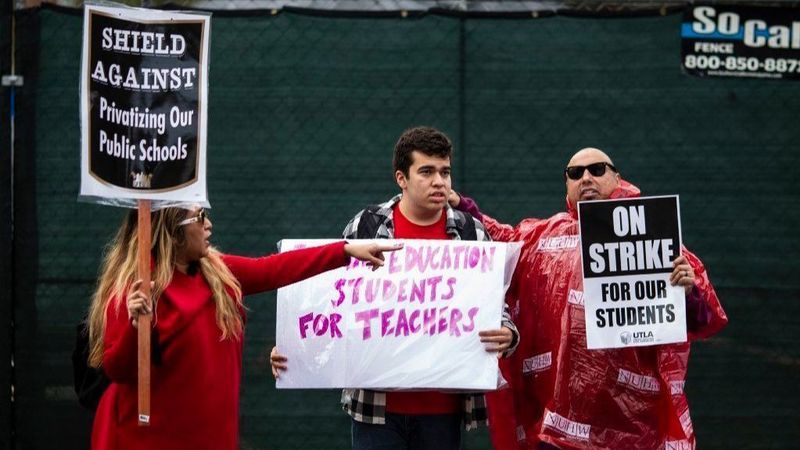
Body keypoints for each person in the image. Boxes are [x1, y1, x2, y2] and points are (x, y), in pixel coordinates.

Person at [451, 147, 728, 450]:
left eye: (597, 169)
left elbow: (705, 319)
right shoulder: (543, 237)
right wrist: (462, 206)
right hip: (556, 423)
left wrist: (688, 292)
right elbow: (500, 240)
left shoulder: (652, 237)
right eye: (575, 173)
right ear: (567, 185)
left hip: (631, 425)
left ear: (617, 177)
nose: (586, 177)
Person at [271, 126, 520, 450]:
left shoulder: (470, 231)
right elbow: (332, 299)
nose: (439, 182)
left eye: (445, 172)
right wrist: (294, 345)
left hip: (444, 411)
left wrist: (508, 332)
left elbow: (494, 299)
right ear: (401, 178)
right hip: (377, 411)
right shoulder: (367, 226)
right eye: (427, 172)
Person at [87, 205, 401, 450]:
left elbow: (274, 269)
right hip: (148, 437)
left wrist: (343, 251)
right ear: (173, 231)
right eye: (200, 217)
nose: (208, 225)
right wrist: (134, 324)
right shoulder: (139, 289)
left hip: (209, 435)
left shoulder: (217, 272)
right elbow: (118, 368)